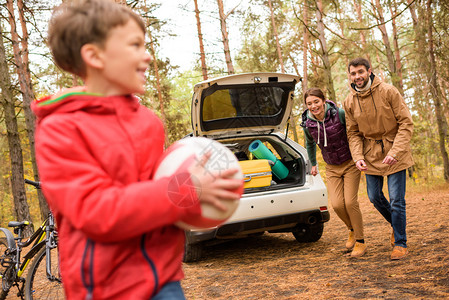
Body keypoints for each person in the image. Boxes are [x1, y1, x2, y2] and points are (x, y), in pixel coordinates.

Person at [31, 0, 243, 299]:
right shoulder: (61, 129)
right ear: (94, 55)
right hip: (106, 288)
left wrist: (210, 195)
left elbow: (161, 199)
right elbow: (96, 211)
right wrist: (186, 189)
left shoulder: (149, 123)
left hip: (164, 278)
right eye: (135, 45)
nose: (147, 56)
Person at [343, 57, 414, 260]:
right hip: (370, 154)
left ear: (369, 71)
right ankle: (396, 224)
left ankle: (400, 243)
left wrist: (395, 152)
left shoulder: (389, 91)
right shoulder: (349, 101)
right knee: (374, 196)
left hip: (395, 151)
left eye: (360, 72)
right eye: (353, 73)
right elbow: (353, 133)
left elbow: (406, 123)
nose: (357, 77)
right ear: (350, 75)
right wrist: (357, 156)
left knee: (397, 201)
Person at [301, 88, 366, 258]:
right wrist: (313, 164)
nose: (313, 106)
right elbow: (310, 144)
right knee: (337, 205)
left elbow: (354, 134)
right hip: (331, 167)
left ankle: (360, 241)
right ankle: (351, 229)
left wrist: (359, 156)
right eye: (309, 104)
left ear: (323, 101)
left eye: (316, 101)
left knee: (350, 203)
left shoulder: (340, 114)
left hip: (350, 162)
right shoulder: (308, 124)